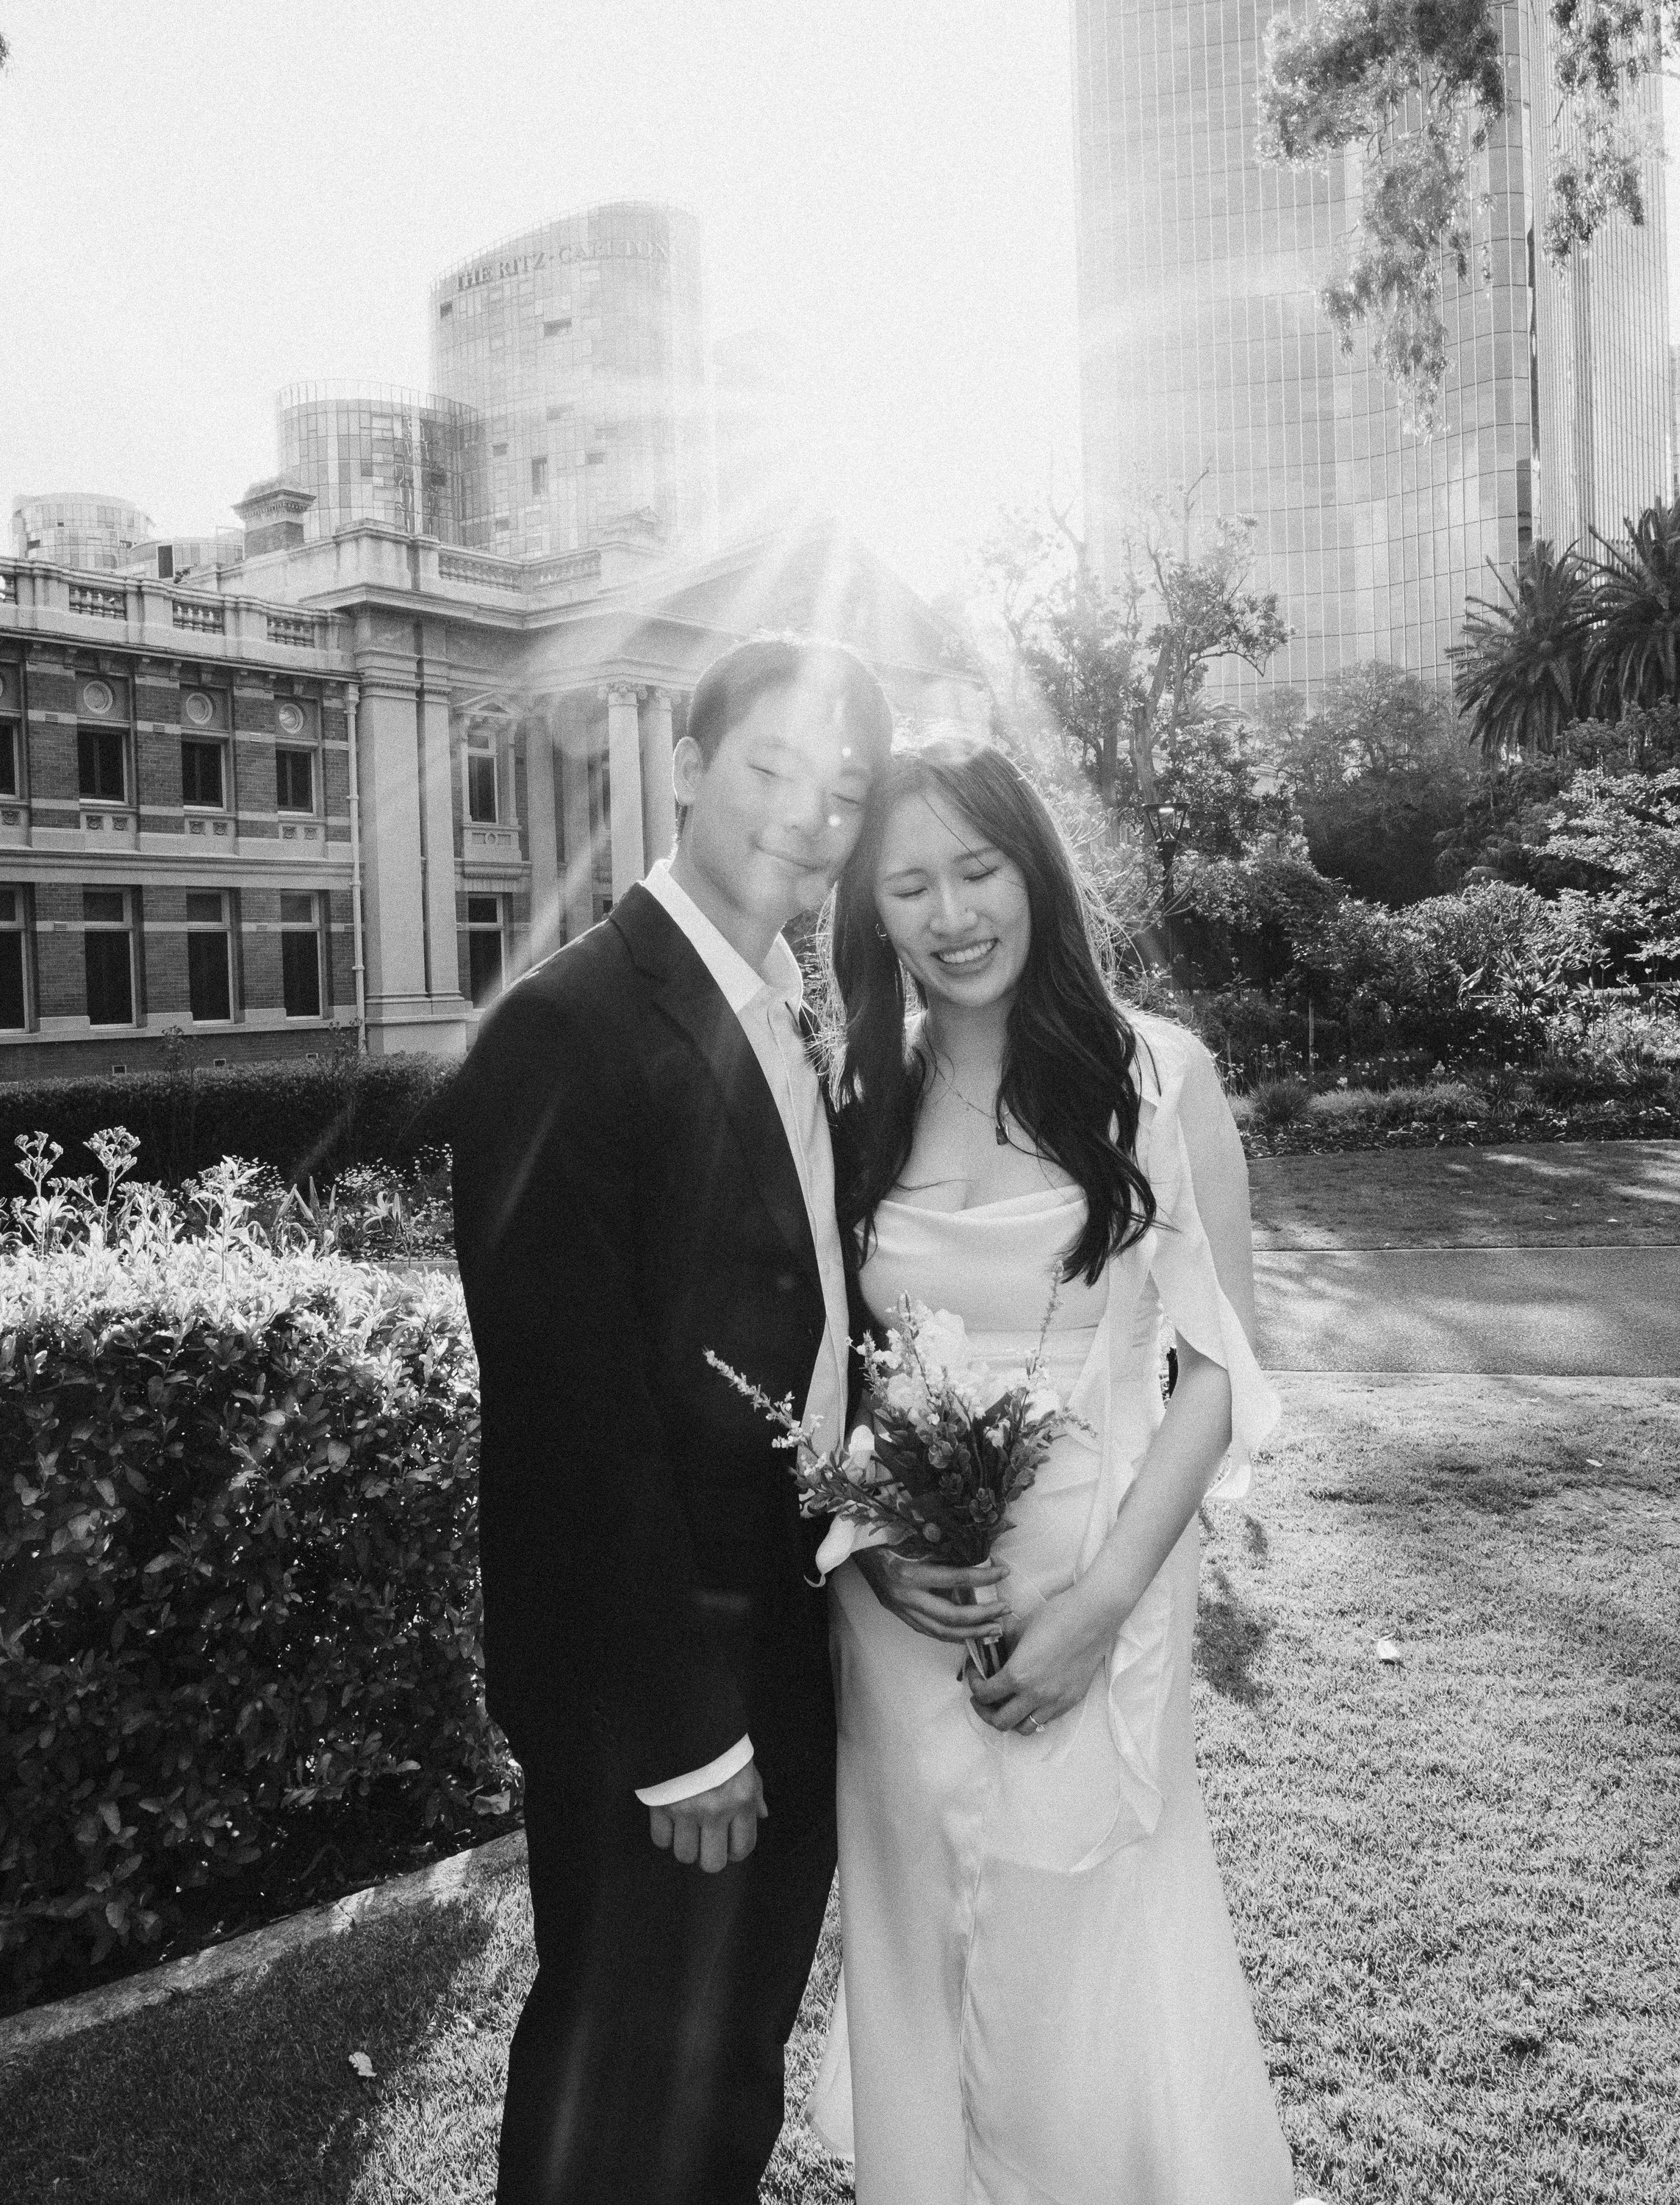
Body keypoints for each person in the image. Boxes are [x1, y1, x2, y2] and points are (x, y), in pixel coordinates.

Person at [805, 734, 1296, 2203]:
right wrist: (871, 1546)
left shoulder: (1158, 1073)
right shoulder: (852, 1095)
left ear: (1035, 872)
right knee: (922, 1933)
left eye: (980, 869)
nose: (952, 914)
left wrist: (1101, 1605)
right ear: (870, 910)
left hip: (1098, 1573)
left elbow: (1217, 1365)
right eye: (909, 884)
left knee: (1069, 1946)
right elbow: (830, 1361)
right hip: (908, 1613)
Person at [449, 634, 892, 2205]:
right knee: (618, 2098)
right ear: (690, 767)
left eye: (845, 788)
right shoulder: (567, 1027)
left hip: (786, 1639)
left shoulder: (792, 1007)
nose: (807, 816)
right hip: (660, 1691)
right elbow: (569, 1420)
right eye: (771, 768)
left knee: (723, 2089)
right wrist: (684, 1732)